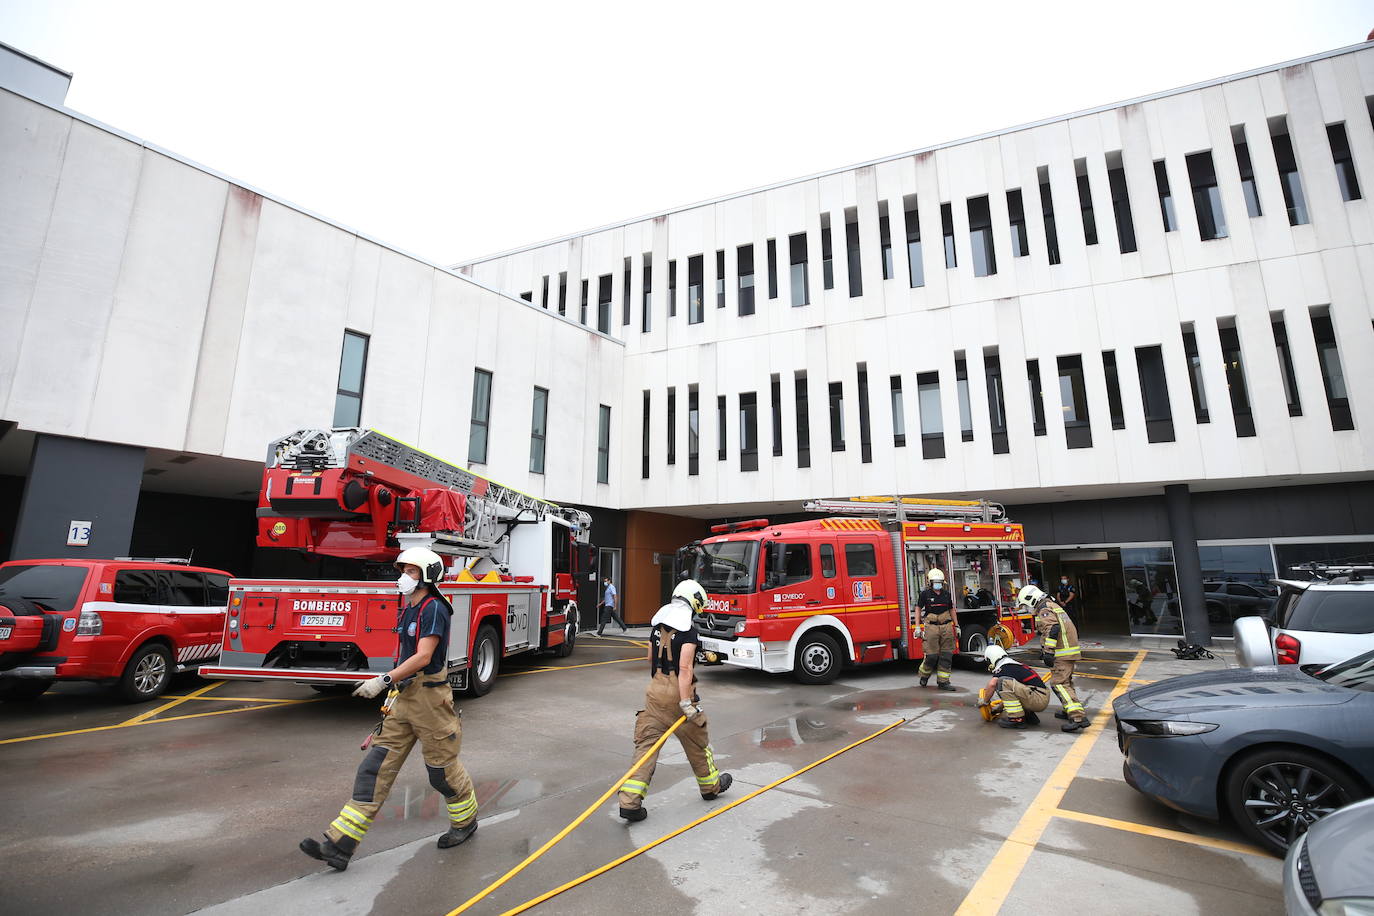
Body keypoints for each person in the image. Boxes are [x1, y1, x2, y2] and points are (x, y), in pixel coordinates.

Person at [299, 547, 478, 871]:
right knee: (373, 769)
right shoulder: (409, 608)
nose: (403, 577)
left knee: (442, 775)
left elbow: (424, 656)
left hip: (430, 701)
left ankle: (465, 822)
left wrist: (383, 679)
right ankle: (340, 845)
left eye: (410, 572)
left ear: (426, 576)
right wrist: (393, 687)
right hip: (405, 697)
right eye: (403, 571)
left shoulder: (434, 608)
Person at [617, 579, 732, 822]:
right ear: (694, 602)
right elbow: (685, 668)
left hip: (655, 691)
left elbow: (650, 656)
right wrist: (685, 703)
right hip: (677, 695)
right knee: (698, 744)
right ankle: (711, 788)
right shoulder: (689, 631)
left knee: (645, 748)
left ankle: (629, 802)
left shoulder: (657, 625)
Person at [1017, 584, 1089, 733]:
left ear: (1031, 599)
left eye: (1026, 603)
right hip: (1068, 650)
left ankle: (1077, 717)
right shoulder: (1051, 604)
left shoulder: (1044, 609)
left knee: (1059, 684)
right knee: (1066, 682)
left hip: (1062, 652)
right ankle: (1068, 709)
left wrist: (1048, 651)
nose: (1027, 607)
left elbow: (1053, 628)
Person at [978, 645, 1049, 729]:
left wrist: (984, 701)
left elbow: (992, 685)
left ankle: (1017, 719)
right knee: (1007, 684)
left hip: (1037, 698)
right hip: (1039, 697)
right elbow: (1012, 695)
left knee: (1002, 682)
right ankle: (1028, 716)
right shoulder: (1012, 665)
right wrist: (998, 709)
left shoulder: (1004, 667)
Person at [916, 569, 957, 692]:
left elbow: (951, 610)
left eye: (940, 582)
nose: (938, 584)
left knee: (947, 655)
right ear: (930, 582)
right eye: (935, 582)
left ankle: (943, 682)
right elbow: (918, 608)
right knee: (932, 656)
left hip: (946, 627)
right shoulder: (925, 594)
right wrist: (917, 626)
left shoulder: (946, 594)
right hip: (931, 627)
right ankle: (924, 676)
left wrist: (957, 625)